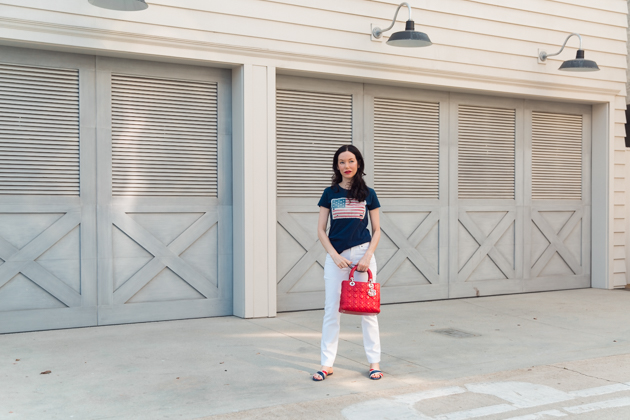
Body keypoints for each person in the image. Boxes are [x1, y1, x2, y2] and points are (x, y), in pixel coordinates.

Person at [312, 144, 383, 382]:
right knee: (331, 311)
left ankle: (374, 363)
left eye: (351, 161)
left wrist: (367, 256)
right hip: (337, 258)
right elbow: (321, 230)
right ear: (337, 166)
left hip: (363, 255)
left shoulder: (369, 194)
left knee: (368, 312)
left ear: (359, 163)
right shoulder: (329, 193)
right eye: (342, 162)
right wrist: (333, 255)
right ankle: (326, 364)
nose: (347, 166)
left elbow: (377, 230)